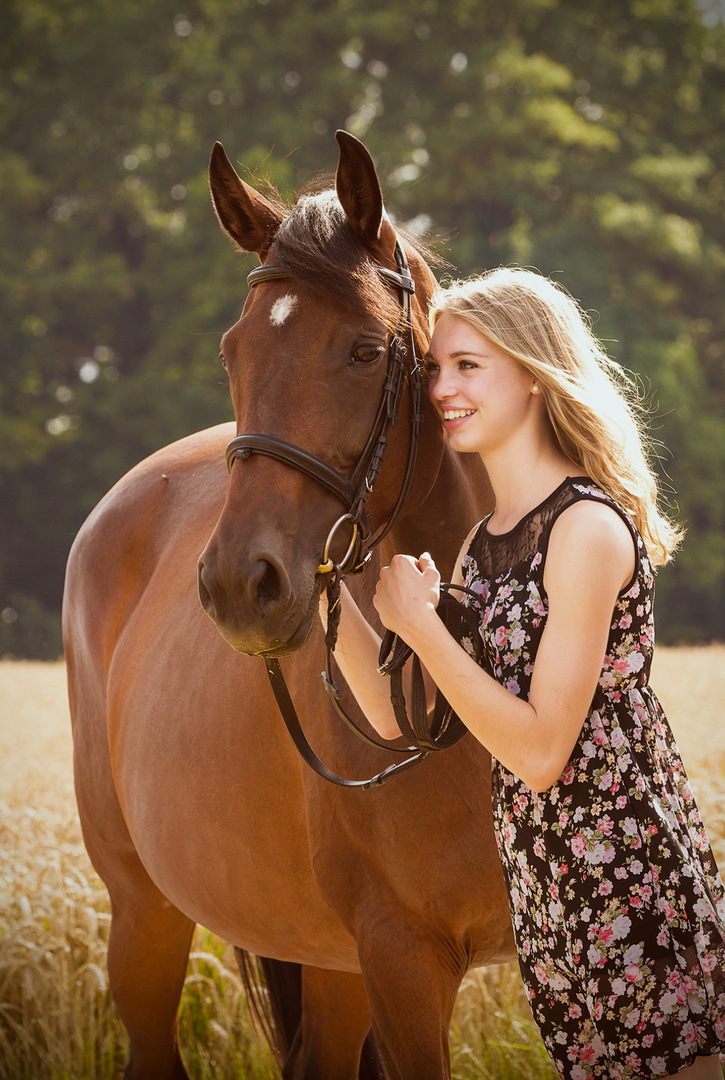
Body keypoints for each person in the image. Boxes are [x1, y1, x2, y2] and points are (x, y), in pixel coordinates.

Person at [320, 267, 725, 1079]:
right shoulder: (484, 543)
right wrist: (323, 600)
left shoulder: (585, 529)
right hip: (546, 889)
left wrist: (424, 627)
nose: (443, 386)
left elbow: (541, 753)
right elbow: (409, 720)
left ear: (535, 377)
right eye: (436, 367)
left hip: (628, 877)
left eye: (470, 365)